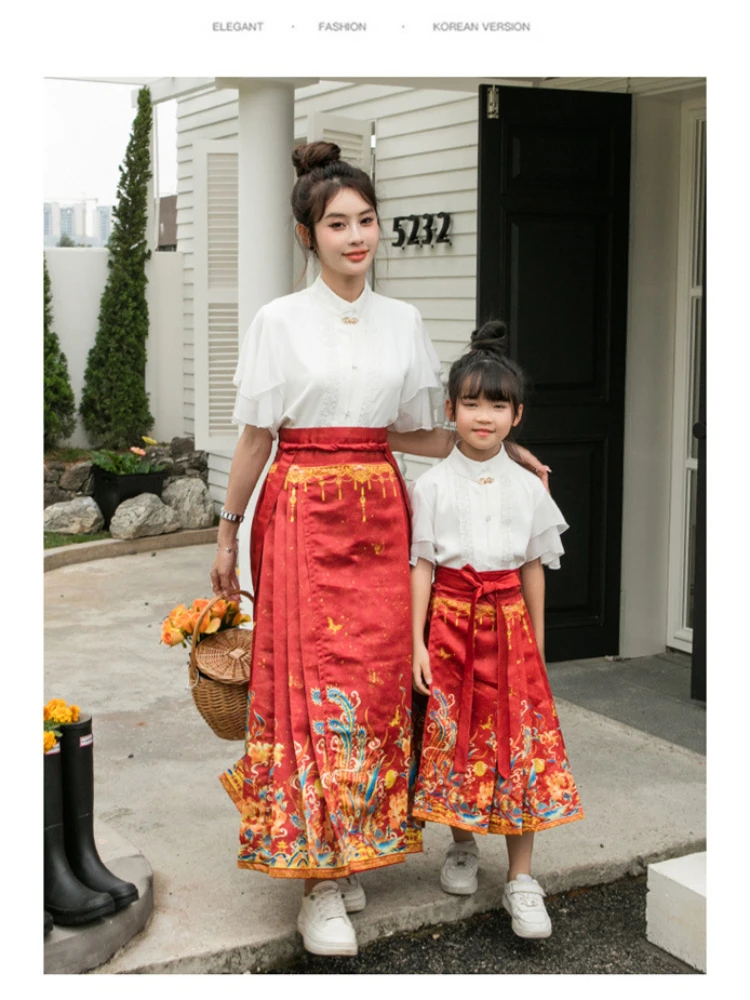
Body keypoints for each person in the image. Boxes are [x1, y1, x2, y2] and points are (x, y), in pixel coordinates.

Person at [210, 142, 549, 957]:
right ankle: (319, 883)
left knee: (378, 693)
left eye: (366, 221)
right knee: (310, 697)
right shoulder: (277, 321)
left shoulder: (402, 321)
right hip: (298, 516)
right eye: (337, 224)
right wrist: (226, 529)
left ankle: (356, 842)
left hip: (382, 518)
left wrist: (505, 456)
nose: (356, 236)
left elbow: (417, 431)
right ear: (308, 235)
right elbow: (259, 433)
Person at [409, 321, 584, 940]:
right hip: (451, 624)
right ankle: (461, 844)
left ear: (517, 415)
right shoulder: (428, 486)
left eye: (498, 405)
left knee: (519, 743)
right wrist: (415, 643)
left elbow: (534, 566)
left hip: (510, 625)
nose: (484, 416)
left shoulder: (528, 489)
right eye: (472, 403)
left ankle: (522, 877)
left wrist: (537, 641)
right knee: (455, 737)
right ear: (451, 409)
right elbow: (422, 566)